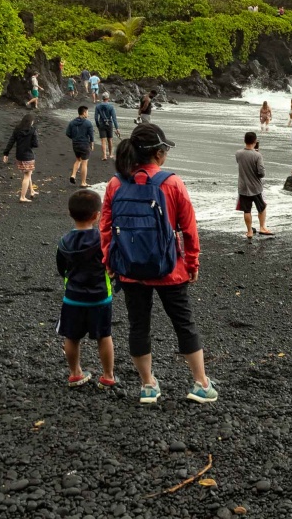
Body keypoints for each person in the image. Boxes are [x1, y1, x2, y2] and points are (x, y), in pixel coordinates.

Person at [99, 124, 216, 405]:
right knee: (184, 324)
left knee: (138, 326)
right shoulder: (172, 183)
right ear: (159, 154)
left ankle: (148, 385)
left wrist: (109, 262)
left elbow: (105, 227)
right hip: (169, 269)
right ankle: (200, 383)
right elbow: (189, 229)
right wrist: (192, 262)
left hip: (129, 269)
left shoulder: (116, 184)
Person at [56, 190, 116, 389]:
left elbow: (61, 269)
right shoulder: (103, 241)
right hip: (100, 296)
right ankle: (108, 375)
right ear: (96, 215)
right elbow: (111, 265)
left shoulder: (65, 242)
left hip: (73, 297)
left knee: (71, 336)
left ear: (70, 213)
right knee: (104, 336)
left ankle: (75, 373)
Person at [236, 132, 273, 239]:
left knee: (247, 210)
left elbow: (241, 163)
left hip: (243, 186)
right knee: (262, 207)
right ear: (255, 141)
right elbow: (261, 173)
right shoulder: (257, 155)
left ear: (244, 140)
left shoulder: (238, 153)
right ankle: (262, 227)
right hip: (256, 187)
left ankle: (249, 231)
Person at [2, 113, 40, 202]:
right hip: (28, 155)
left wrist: (6, 153)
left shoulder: (17, 129)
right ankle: (22, 197)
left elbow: (11, 141)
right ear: (31, 122)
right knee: (27, 175)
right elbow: (36, 144)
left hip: (19, 156)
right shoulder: (32, 130)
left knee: (28, 173)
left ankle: (32, 191)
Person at [65, 106, 95, 187]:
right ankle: (83, 182)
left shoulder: (72, 122)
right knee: (84, 163)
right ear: (84, 112)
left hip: (75, 144)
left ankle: (73, 175)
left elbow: (68, 133)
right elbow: (91, 135)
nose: (88, 114)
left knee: (78, 160)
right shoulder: (88, 123)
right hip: (85, 144)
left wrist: (74, 138)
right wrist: (92, 143)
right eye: (87, 112)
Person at [94, 93, 120, 160]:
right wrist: (117, 128)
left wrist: (97, 125)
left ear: (102, 98)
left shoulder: (98, 106)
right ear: (108, 98)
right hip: (109, 124)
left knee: (103, 140)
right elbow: (114, 118)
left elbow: (96, 118)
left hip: (101, 124)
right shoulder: (111, 107)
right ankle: (111, 154)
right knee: (110, 140)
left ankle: (104, 155)